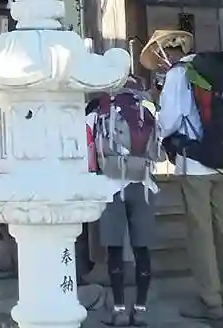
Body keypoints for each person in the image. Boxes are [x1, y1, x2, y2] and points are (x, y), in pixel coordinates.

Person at [146, 29, 223, 322]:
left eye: (159, 57)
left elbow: (169, 121)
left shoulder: (178, 75)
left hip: (194, 164)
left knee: (200, 233)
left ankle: (211, 302)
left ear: (165, 52)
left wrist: (154, 131)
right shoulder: (210, 69)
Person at [89, 77, 160, 325]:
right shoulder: (147, 108)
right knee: (142, 249)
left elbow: (89, 148)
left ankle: (119, 309)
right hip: (143, 184)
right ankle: (140, 309)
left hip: (111, 186)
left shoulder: (99, 111)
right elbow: (158, 149)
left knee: (115, 249)